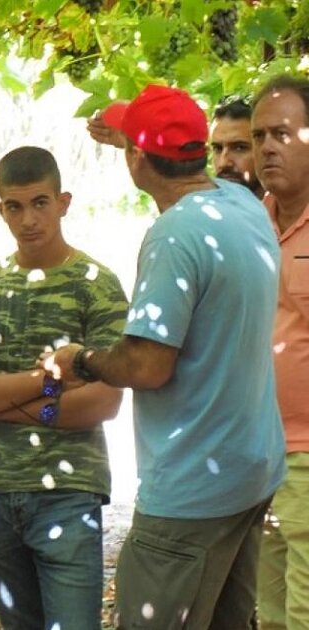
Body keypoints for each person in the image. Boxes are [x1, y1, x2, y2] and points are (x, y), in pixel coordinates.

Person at [48, 84, 286, 628]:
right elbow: (170, 154)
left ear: (138, 159)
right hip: (250, 471)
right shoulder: (242, 204)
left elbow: (147, 366)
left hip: (192, 490)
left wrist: (81, 360)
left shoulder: (174, 235)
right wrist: (133, 138)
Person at [0, 146, 127, 629]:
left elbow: (104, 401)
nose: (28, 219)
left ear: (63, 202)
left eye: (40, 203)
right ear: (0, 209)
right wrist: (47, 382)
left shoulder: (96, 285)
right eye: (15, 206)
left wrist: (1, 404)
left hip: (69, 489)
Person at [252, 74, 309, 630]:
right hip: (259, 455)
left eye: (283, 134)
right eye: (260, 136)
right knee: (269, 617)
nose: (267, 147)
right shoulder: (250, 225)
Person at [88, 95, 264, 198]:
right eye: (217, 149)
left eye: (240, 148)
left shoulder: (275, 209)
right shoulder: (210, 205)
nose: (224, 162)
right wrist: (134, 135)